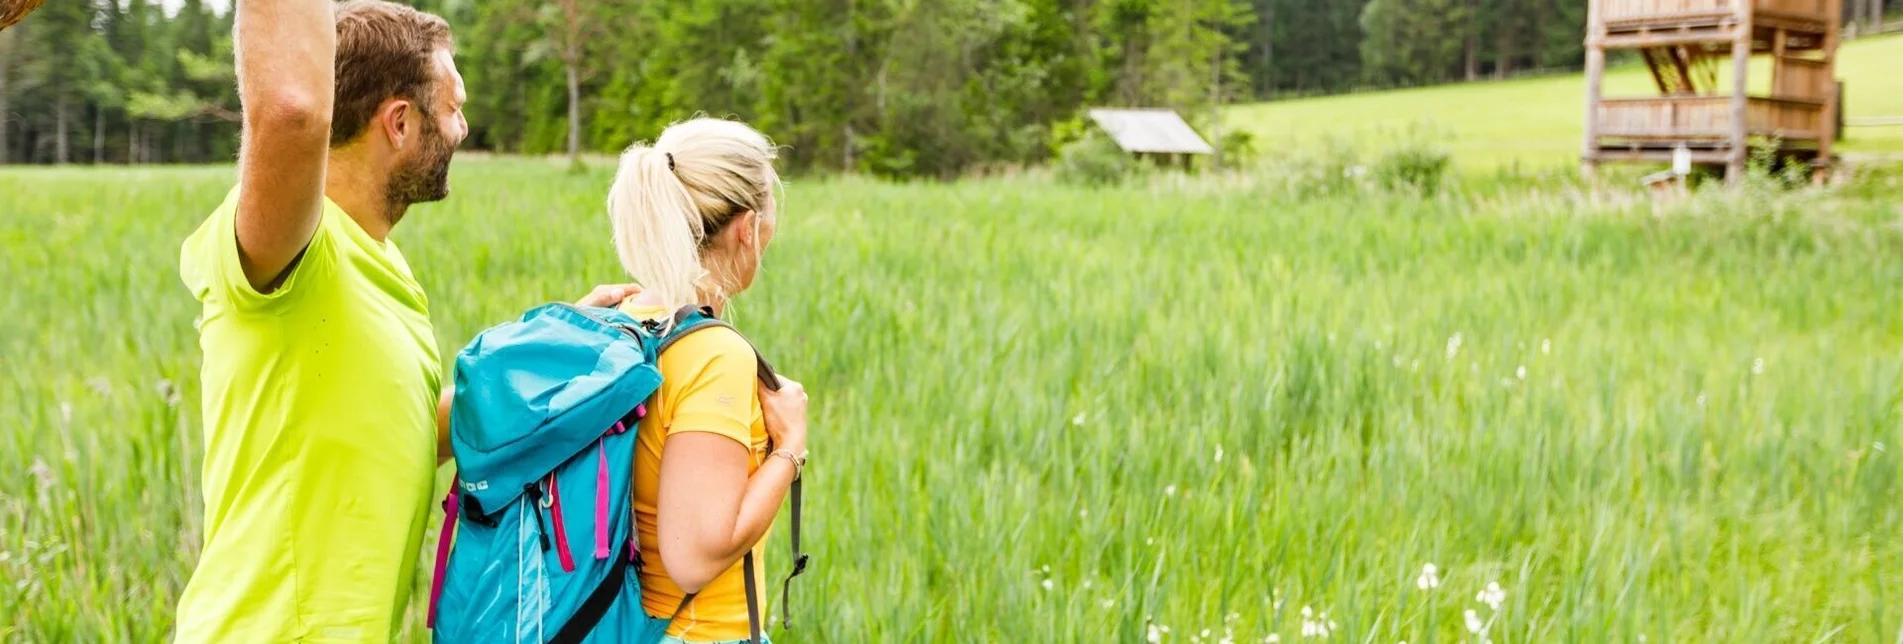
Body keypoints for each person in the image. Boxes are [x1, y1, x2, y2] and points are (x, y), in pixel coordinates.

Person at [174, 1, 634, 641]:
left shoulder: (383, 266)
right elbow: (290, 111)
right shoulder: (295, 251)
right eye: (453, 107)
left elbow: (409, 434)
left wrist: (564, 340)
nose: (463, 128)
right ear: (398, 122)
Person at [604, 117, 809, 643]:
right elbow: (694, 558)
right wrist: (789, 447)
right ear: (747, 228)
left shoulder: (625, 318)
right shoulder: (715, 355)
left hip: (626, 624)